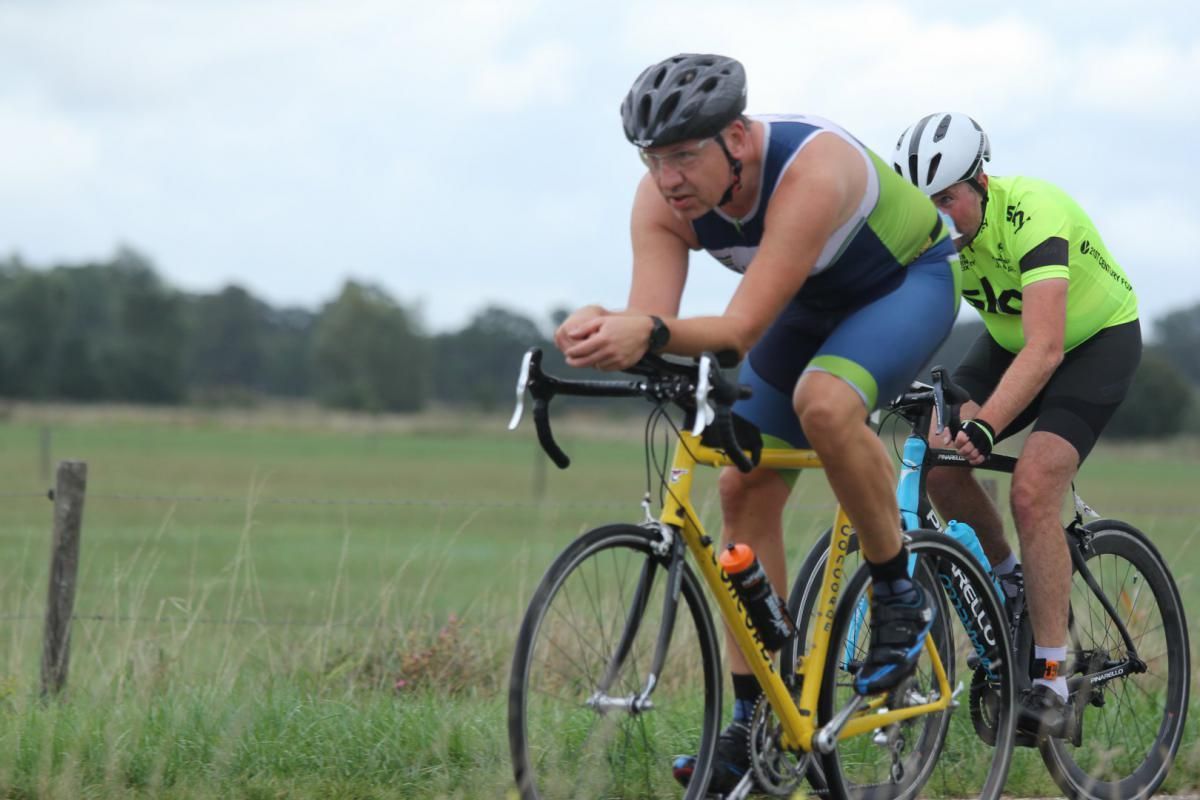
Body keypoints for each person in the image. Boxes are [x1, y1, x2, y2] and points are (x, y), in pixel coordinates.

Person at [554, 53, 960, 793]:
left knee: (825, 403)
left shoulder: (811, 170)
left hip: (906, 282)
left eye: (682, 156)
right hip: (808, 304)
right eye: (652, 159)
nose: (667, 177)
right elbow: (661, 325)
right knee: (743, 485)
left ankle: (899, 588)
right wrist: (601, 328)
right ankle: (755, 722)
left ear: (736, 139)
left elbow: (737, 330)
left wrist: (641, 329)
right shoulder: (659, 202)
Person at [892, 112, 1141, 741]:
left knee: (1032, 488)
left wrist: (988, 425)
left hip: (1092, 342)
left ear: (979, 179)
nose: (938, 217)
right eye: (925, 204)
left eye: (947, 198)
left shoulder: (1034, 212)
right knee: (939, 458)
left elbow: (1047, 346)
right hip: (1008, 343)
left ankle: (1052, 682)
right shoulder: (928, 234)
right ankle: (1008, 583)